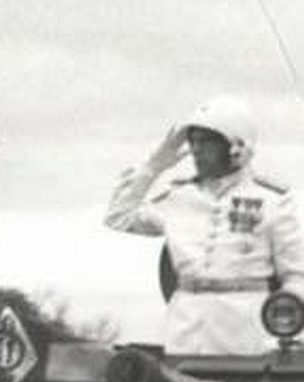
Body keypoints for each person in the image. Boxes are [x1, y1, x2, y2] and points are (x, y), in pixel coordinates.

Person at [106, 94, 304, 354]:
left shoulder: (272, 200)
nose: (195, 150)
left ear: (235, 147)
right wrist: (153, 166)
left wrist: (283, 323)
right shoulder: (179, 197)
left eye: (207, 142)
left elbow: (297, 276)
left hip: (248, 333)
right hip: (184, 330)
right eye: (193, 141)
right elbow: (119, 216)